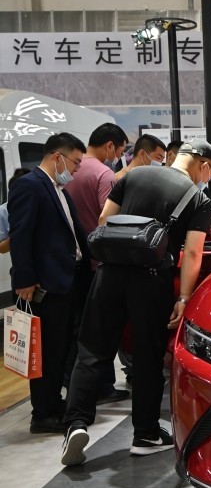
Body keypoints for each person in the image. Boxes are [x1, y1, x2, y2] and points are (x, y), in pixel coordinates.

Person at [60, 139, 211, 466]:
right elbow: (192, 253)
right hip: (151, 281)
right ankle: (145, 434)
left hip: (109, 274)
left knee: (92, 350)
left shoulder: (134, 175)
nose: (208, 179)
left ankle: (75, 424)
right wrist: (184, 298)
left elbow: (104, 220)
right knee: (147, 357)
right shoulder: (197, 198)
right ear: (204, 166)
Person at [8, 133, 91, 434]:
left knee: (61, 349)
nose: (77, 170)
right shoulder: (29, 186)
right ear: (58, 157)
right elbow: (21, 236)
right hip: (45, 285)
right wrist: (25, 279)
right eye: (76, 163)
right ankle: (42, 413)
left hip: (67, 281)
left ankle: (55, 403)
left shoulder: (59, 190)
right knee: (45, 352)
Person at [63, 122, 130, 404]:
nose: (119, 158)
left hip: (71, 263)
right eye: (120, 151)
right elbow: (110, 221)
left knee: (75, 329)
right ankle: (101, 387)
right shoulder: (104, 174)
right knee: (101, 331)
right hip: (97, 263)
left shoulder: (68, 172)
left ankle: (73, 384)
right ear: (110, 146)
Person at [0, 168, 30, 254]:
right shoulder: (3, 211)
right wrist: (19, 234)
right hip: (21, 258)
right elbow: (1, 248)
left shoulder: (44, 204)